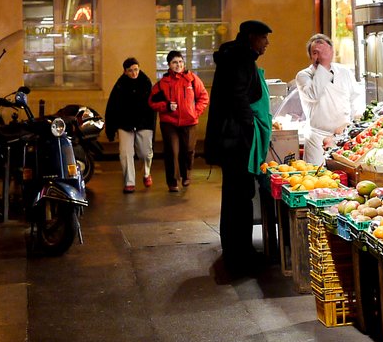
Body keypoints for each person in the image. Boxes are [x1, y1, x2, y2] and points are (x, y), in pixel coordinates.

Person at [204, 20, 272, 275]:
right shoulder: (241, 59)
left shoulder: (233, 57)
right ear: (252, 37)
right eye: (264, 37)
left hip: (230, 140)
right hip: (237, 142)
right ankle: (240, 256)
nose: (267, 43)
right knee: (240, 198)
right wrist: (251, 126)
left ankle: (235, 251)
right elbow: (239, 98)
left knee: (234, 197)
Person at [292, 33, 364, 165]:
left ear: (331, 52)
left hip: (343, 136)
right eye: (315, 52)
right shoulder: (303, 76)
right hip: (317, 138)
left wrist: (353, 123)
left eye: (324, 51)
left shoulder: (345, 72)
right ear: (310, 56)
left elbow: (356, 98)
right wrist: (324, 66)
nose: (320, 56)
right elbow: (313, 94)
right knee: (318, 180)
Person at [149, 50, 210, 192]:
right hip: (169, 123)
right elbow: (152, 102)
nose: (178, 65)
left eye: (180, 62)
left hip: (189, 122)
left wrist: (195, 112)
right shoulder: (162, 83)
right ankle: (173, 181)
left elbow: (203, 97)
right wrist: (166, 106)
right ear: (169, 65)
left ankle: (186, 174)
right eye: (175, 62)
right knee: (172, 151)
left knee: (188, 150)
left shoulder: (192, 79)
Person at [105, 56, 156, 193]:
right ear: (125, 71)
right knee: (125, 153)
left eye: (136, 69)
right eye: (130, 70)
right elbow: (112, 108)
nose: (134, 73)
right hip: (124, 124)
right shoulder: (120, 86)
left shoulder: (146, 83)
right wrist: (110, 130)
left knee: (145, 153)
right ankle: (129, 182)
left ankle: (146, 172)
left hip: (143, 123)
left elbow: (152, 107)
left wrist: (152, 126)